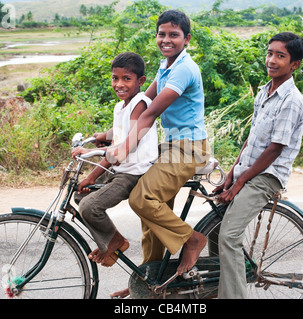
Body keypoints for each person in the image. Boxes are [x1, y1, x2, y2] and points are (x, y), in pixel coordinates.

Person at [106, 10, 210, 298]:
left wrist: (122, 149)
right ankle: (147, 280)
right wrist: (108, 137)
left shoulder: (184, 69)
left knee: (142, 198)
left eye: (173, 34)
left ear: (186, 39)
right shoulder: (166, 67)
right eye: (162, 34)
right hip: (171, 147)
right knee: (151, 218)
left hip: (188, 149)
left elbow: (150, 113)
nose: (166, 39)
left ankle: (192, 240)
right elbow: (140, 102)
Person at [215, 32, 303, 299]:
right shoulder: (264, 92)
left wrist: (241, 182)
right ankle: (217, 288)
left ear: (294, 65)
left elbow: (275, 148)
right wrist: (232, 173)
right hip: (250, 170)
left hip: (267, 175)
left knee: (229, 236)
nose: (272, 60)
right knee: (214, 228)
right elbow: (252, 138)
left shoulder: (291, 101)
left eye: (281, 56)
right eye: (270, 53)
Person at [71, 52, 158, 267]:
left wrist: (92, 175)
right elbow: (121, 130)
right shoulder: (121, 106)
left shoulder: (140, 103)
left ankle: (116, 242)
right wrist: (103, 136)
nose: (119, 84)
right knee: (80, 196)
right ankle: (110, 242)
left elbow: (126, 146)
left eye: (126, 79)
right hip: (121, 168)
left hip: (134, 173)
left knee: (90, 207)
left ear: (141, 81)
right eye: (115, 78)